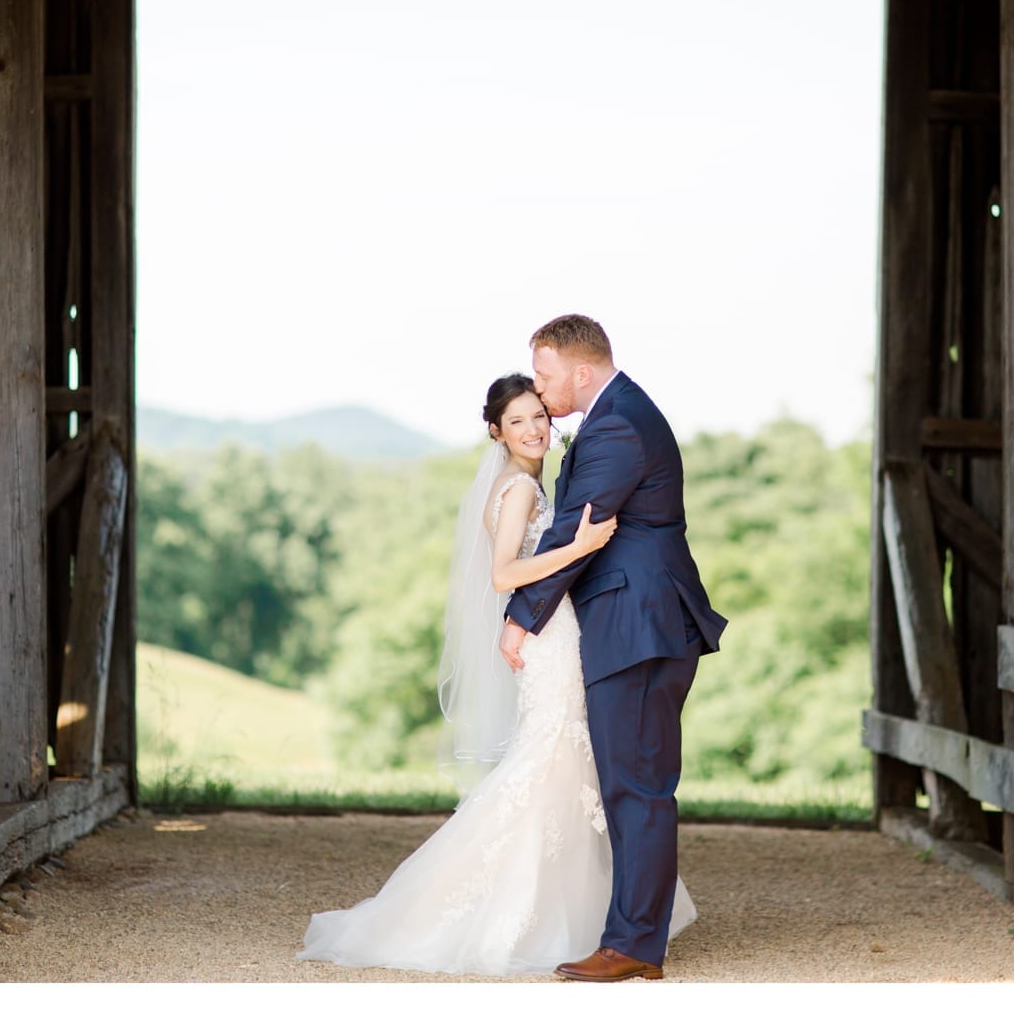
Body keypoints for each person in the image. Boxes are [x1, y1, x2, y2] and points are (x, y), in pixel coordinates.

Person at [297, 373, 696, 976]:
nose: (535, 429)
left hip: (558, 630)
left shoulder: (530, 485)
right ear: (496, 431)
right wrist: (581, 544)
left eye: (540, 416)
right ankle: (523, 915)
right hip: (549, 635)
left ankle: (586, 916)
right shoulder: (518, 492)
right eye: (518, 421)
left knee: (567, 764)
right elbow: (504, 574)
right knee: (549, 760)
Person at [500, 314, 727, 982]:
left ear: (581, 371)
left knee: (638, 788)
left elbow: (575, 531)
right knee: (632, 783)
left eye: (543, 376)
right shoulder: (615, 416)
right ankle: (632, 935)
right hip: (633, 622)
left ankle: (632, 947)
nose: (539, 392)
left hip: (639, 626)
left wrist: (520, 618)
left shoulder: (618, 426)